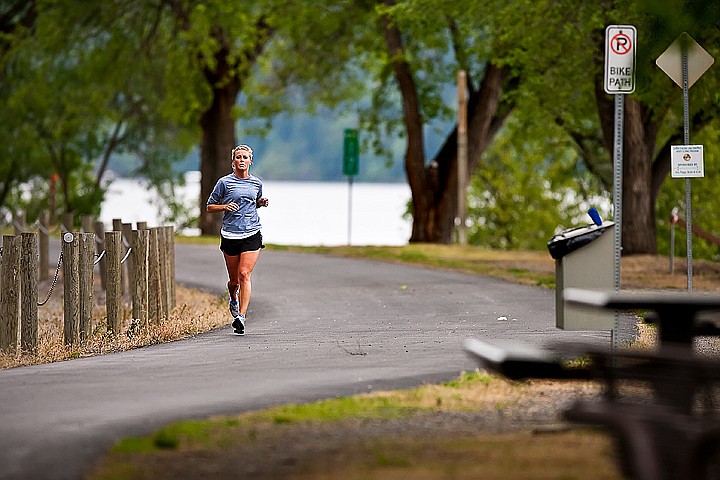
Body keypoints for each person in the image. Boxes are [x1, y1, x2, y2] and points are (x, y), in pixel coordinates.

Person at [206, 144, 269, 335]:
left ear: (250, 161)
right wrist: (224, 206)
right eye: (238, 157)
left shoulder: (256, 183)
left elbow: (251, 204)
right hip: (230, 235)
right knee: (234, 281)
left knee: (244, 275)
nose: (242, 160)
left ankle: (241, 317)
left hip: (251, 233)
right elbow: (210, 206)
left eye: (245, 157)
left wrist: (261, 203)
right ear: (233, 161)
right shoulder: (224, 183)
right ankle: (233, 297)